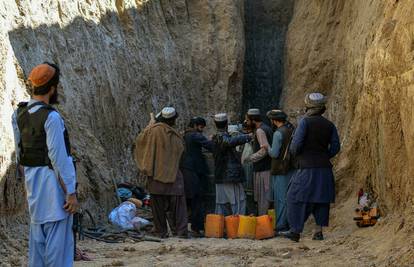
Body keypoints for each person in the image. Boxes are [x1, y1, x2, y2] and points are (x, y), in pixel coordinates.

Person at [11, 62, 78, 267]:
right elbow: (60, 159)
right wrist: (71, 193)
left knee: (37, 256)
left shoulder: (18, 114)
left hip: (35, 196)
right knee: (58, 258)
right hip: (55, 197)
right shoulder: (52, 117)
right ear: (52, 88)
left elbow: (20, 159)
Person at [280, 93, 340, 242]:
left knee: (294, 197)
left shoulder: (305, 123)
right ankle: (318, 232)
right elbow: (336, 147)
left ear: (308, 107)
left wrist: (300, 156)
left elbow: (295, 146)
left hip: (307, 168)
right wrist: (324, 155)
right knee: (321, 199)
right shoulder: (330, 125)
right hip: (325, 169)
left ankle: (295, 231)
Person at [134, 107, 188, 238]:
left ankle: (160, 231)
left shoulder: (151, 131)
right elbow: (181, 152)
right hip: (173, 175)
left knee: (157, 207)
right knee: (179, 207)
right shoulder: (175, 135)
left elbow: (139, 143)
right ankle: (181, 232)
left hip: (156, 175)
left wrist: (148, 128)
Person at [212, 113, 252, 215]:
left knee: (222, 201)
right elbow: (228, 142)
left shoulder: (216, 136)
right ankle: (237, 224)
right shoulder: (221, 136)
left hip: (222, 173)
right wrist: (247, 137)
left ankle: (222, 224)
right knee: (238, 199)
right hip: (230, 174)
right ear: (226, 125)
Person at [180, 117, 214, 237]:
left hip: (187, 170)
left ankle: (191, 225)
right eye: (200, 127)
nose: (201, 130)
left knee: (192, 199)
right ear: (195, 125)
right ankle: (196, 226)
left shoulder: (185, 135)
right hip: (194, 171)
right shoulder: (194, 135)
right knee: (197, 199)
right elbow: (210, 146)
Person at [266, 110, 295, 232]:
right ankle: (288, 222)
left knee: (280, 198)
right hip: (290, 168)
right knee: (288, 197)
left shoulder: (278, 133)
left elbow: (274, 153)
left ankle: (281, 224)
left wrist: (266, 146)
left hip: (280, 169)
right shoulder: (290, 130)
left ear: (274, 120)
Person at [243, 108, 273, 215]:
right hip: (266, 168)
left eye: (247, 120)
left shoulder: (260, 131)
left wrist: (249, 158)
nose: (246, 122)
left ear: (253, 120)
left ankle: (263, 224)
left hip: (263, 169)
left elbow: (264, 150)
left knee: (263, 198)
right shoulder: (266, 128)